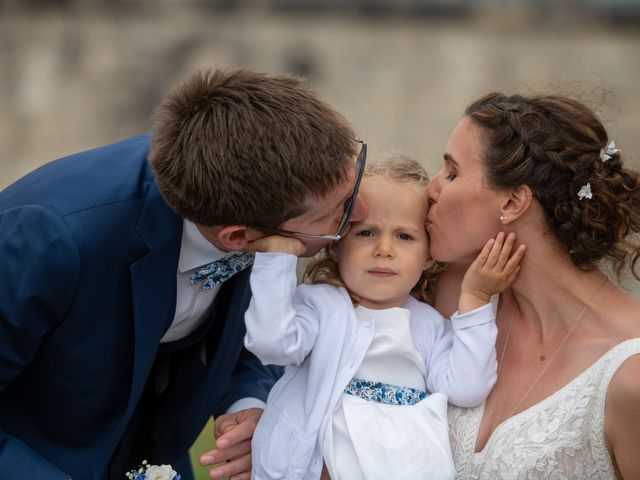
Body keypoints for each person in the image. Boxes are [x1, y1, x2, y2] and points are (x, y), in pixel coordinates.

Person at [0, 66, 367, 480]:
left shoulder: (241, 192)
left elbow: (246, 335)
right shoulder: (46, 238)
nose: (360, 215)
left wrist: (248, 402)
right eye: (336, 215)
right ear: (237, 237)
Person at [241, 156, 526, 480]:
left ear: (428, 255)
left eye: (404, 236)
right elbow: (272, 344)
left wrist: (475, 301)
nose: (384, 249)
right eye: (366, 233)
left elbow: (467, 388)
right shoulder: (319, 306)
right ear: (336, 245)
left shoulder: (429, 325)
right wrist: (276, 257)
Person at [427, 92, 640, 479]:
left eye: (452, 174)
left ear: (513, 201)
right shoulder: (453, 304)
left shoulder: (630, 375)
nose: (432, 189)